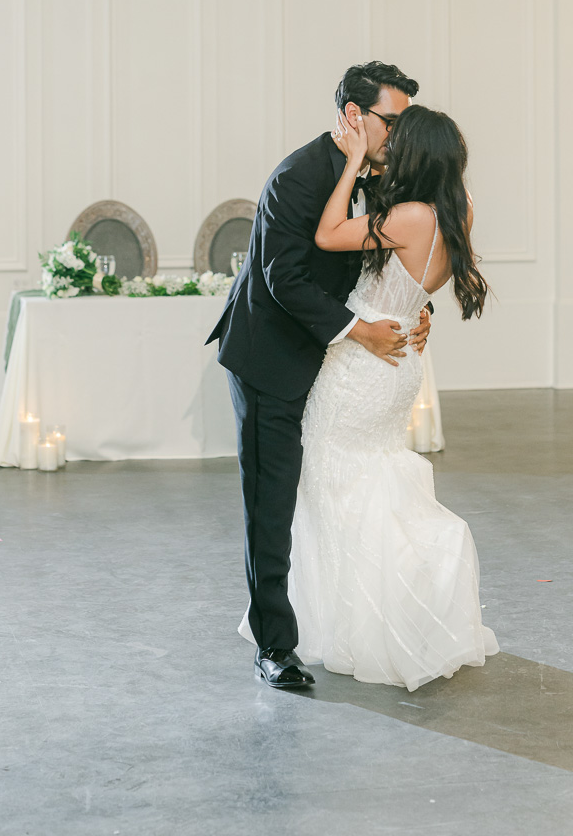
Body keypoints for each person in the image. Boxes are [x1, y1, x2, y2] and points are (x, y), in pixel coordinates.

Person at [205, 62, 432, 689]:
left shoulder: (378, 179)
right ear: (354, 116)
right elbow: (282, 277)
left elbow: (384, 261)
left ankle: (345, 617)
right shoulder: (300, 175)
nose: (400, 134)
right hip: (270, 360)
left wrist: (416, 308)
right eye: (393, 120)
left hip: (332, 366)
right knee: (271, 503)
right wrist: (360, 331)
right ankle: (274, 647)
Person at [285, 102, 500, 691]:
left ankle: (351, 622)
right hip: (401, 357)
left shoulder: (407, 215)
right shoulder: (460, 210)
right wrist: (420, 311)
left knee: (332, 479)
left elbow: (328, 235)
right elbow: (414, 283)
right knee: (365, 476)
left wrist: (353, 161)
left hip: (362, 363)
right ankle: (375, 610)